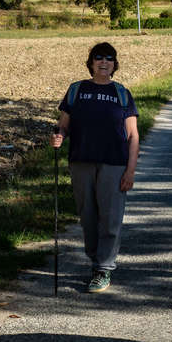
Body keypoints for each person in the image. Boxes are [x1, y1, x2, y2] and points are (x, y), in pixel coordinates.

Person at [50, 42, 139, 293]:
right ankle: (95, 261)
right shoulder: (77, 90)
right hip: (81, 162)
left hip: (114, 164)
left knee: (110, 218)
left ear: (114, 64)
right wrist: (59, 136)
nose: (103, 62)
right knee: (88, 217)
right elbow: (63, 125)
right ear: (90, 62)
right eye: (98, 58)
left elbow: (133, 136)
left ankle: (104, 268)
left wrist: (130, 171)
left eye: (109, 58)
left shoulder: (122, 93)